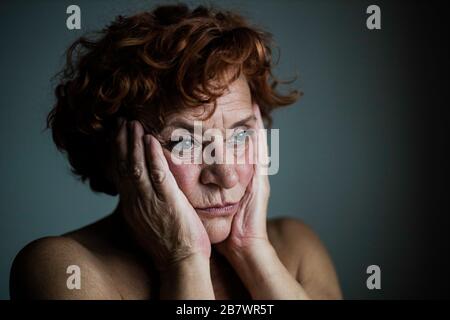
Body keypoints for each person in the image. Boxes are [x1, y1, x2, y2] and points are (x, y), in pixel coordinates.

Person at [10, 3, 342, 300]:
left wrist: (253, 252)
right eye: (185, 142)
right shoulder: (65, 268)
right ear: (118, 154)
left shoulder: (297, 247)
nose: (226, 174)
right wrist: (183, 260)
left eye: (241, 134)